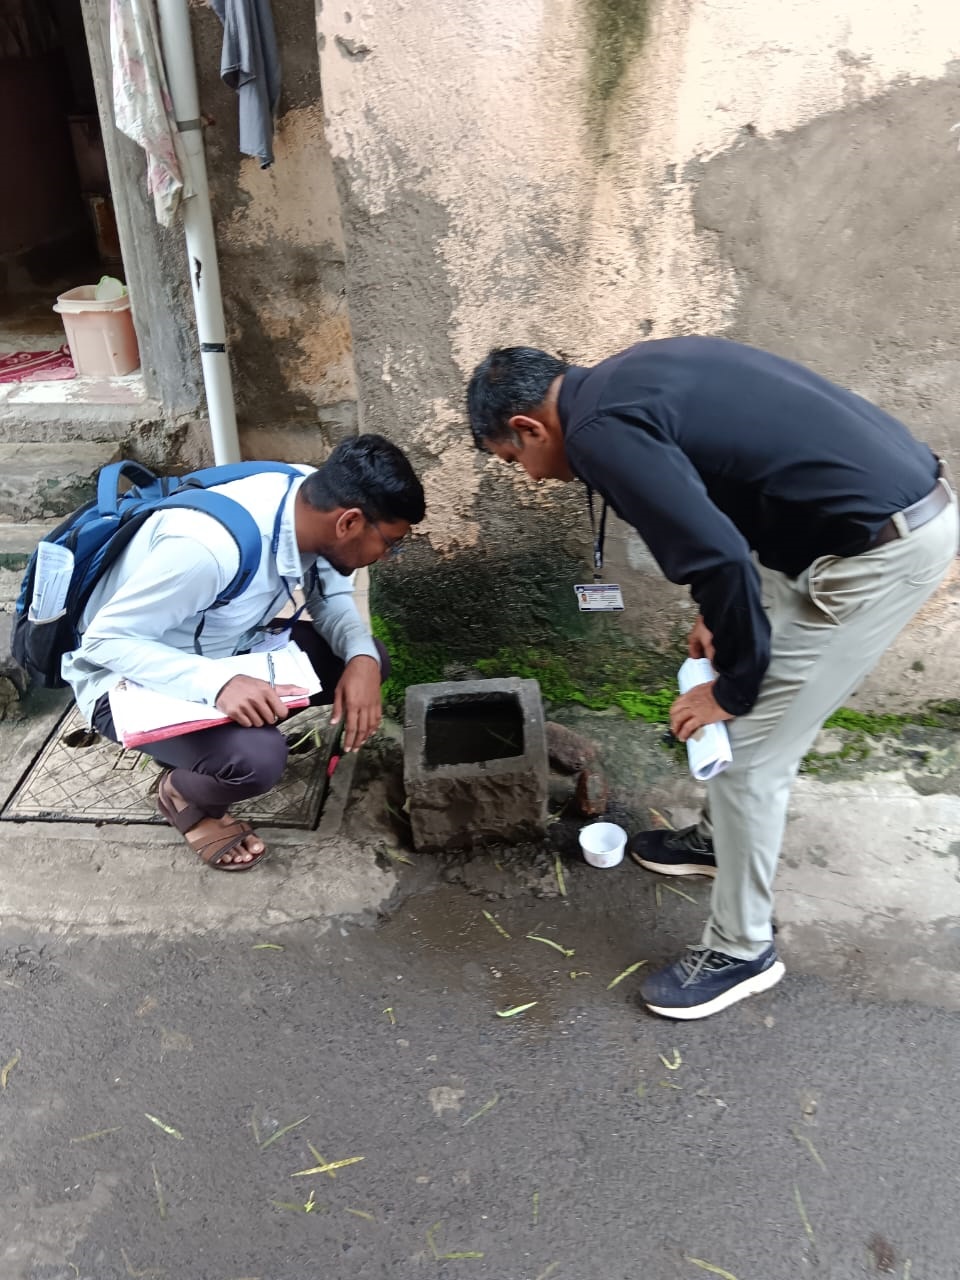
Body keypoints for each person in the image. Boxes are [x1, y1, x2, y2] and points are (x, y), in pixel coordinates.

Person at [467, 337, 958, 1019]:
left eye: (512, 459)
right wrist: (715, 615)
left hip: (874, 553)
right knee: (741, 709)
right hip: (834, 532)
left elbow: (722, 557)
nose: (528, 476)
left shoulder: (600, 435)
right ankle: (719, 842)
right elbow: (717, 499)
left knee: (749, 754)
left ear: (528, 427)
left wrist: (731, 690)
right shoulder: (621, 380)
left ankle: (742, 951)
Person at [62, 434, 425, 872]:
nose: (388, 555)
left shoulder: (311, 497)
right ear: (349, 523)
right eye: (390, 543)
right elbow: (104, 642)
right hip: (125, 680)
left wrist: (361, 658)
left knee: (365, 660)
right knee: (258, 760)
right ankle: (182, 793)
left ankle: (206, 745)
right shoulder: (205, 551)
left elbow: (329, 598)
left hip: (230, 649)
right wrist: (220, 684)